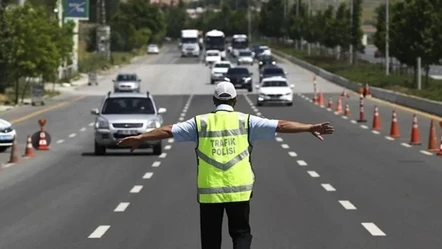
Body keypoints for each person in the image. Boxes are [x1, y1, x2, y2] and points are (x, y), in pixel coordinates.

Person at [116, 81, 334, 249]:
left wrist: (142, 137)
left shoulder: (200, 123)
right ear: (235, 100)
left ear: (214, 100)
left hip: (210, 192)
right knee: (241, 234)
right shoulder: (247, 121)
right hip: (239, 191)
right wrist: (309, 127)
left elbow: (167, 130)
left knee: (211, 240)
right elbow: (281, 125)